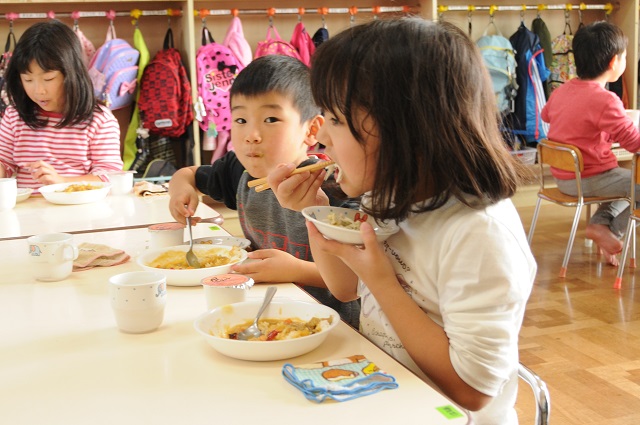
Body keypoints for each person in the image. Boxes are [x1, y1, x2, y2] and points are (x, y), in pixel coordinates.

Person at [267, 18, 536, 424]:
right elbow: (344, 287)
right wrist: (315, 210)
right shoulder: (391, 195)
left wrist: (382, 282)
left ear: (402, 130)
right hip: (388, 395)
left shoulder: (479, 233)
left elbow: (473, 391)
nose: (321, 139)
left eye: (337, 120)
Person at [168, 55, 360, 328]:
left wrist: (296, 270)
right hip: (266, 311)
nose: (251, 135)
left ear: (311, 130)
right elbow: (186, 174)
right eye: (241, 119)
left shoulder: (332, 184)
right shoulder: (239, 170)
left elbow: (355, 281)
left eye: (270, 119)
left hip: (332, 324)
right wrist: (181, 192)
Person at [542, 21, 640, 266]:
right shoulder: (605, 100)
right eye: (625, 57)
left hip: (564, 177)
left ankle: (599, 225)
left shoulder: (560, 92)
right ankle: (612, 231)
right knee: (634, 182)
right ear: (613, 62)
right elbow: (635, 143)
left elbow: (547, 116)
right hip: (590, 179)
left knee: (626, 178)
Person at [0, 20, 123, 189]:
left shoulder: (99, 120)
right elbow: (4, 162)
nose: (38, 91)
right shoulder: (14, 116)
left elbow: (110, 176)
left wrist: (62, 182)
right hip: (27, 212)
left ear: (71, 73)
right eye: (28, 80)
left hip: (78, 210)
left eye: (48, 79)